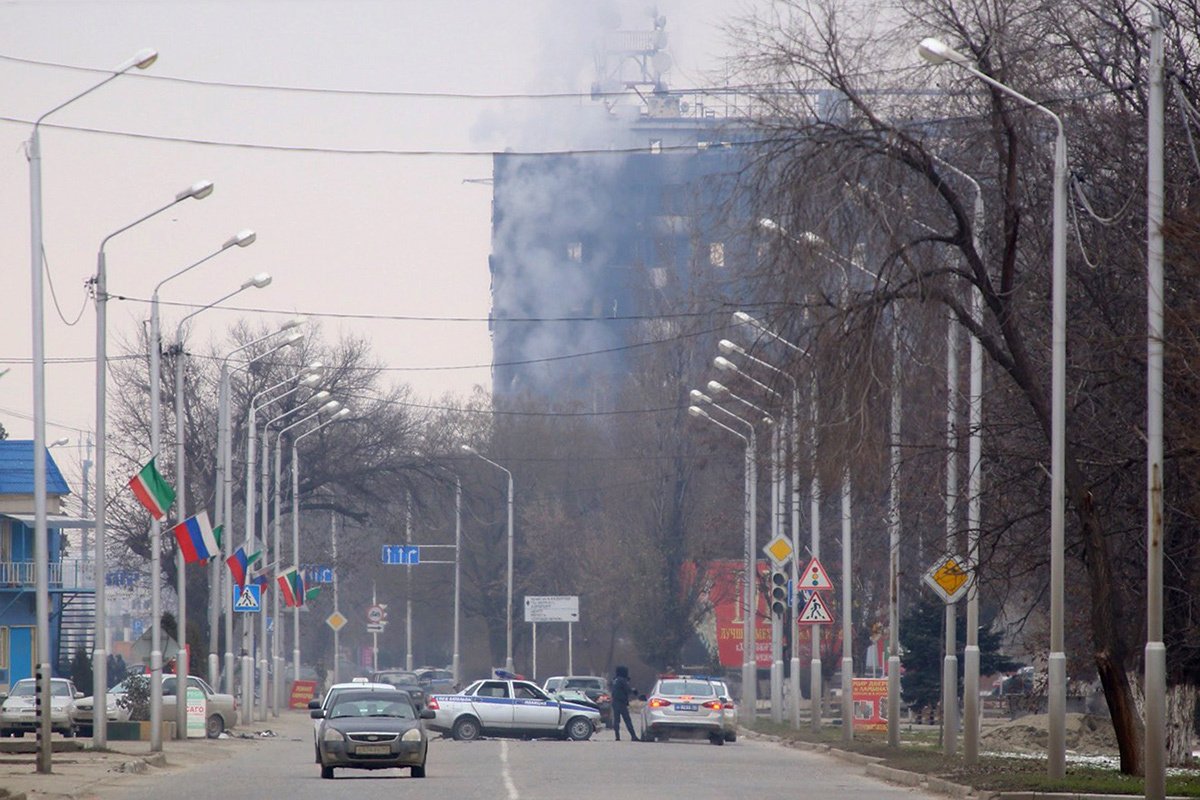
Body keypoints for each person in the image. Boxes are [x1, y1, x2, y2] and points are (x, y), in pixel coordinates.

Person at [611, 665, 638, 741]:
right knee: (627, 720)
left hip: (615, 702)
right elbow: (628, 690)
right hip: (621, 703)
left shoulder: (615, 680)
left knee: (616, 720)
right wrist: (634, 691)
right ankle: (633, 736)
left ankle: (617, 736)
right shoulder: (622, 680)